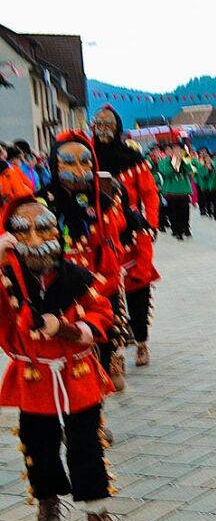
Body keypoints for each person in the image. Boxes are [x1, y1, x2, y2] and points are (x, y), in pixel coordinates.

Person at [0, 197, 121, 521]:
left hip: (76, 375)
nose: (36, 238)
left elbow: (102, 316)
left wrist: (68, 329)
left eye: (44, 227)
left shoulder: (78, 278)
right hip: (34, 377)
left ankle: (97, 513)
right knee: (39, 445)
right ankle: (48, 501)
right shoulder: (6, 282)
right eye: (24, 231)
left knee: (86, 444)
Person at [40, 132, 128, 399]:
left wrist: (103, 286)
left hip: (97, 287)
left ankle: (94, 415)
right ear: (56, 165)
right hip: (58, 287)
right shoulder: (41, 204)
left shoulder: (104, 203)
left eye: (86, 162)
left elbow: (112, 246)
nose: (80, 170)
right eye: (70, 163)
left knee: (96, 349)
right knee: (61, 352)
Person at [91, 105, 161, 368]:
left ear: (117, 128)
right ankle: (114, 351)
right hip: (101, 236)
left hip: (133, 234)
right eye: (99, 125)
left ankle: (141, 342)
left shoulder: (133, 160)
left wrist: (151, 225)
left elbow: (150, 194)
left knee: (138, 291)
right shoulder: (87, 158)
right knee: (106, 294)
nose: (103, 130)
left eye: (108, 125)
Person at [157, 140, 195, 240]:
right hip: (172, 191)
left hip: (184, 190)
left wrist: (183, 158)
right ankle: (177, 230)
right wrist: (174, 161)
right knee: (174, 212)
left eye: (178, 148)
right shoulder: (164, 160)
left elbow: (189, 169)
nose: (176, 150)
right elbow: (165, 172)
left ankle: (185, 227)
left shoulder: (185, 158)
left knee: (185, 211)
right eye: (174, 148)